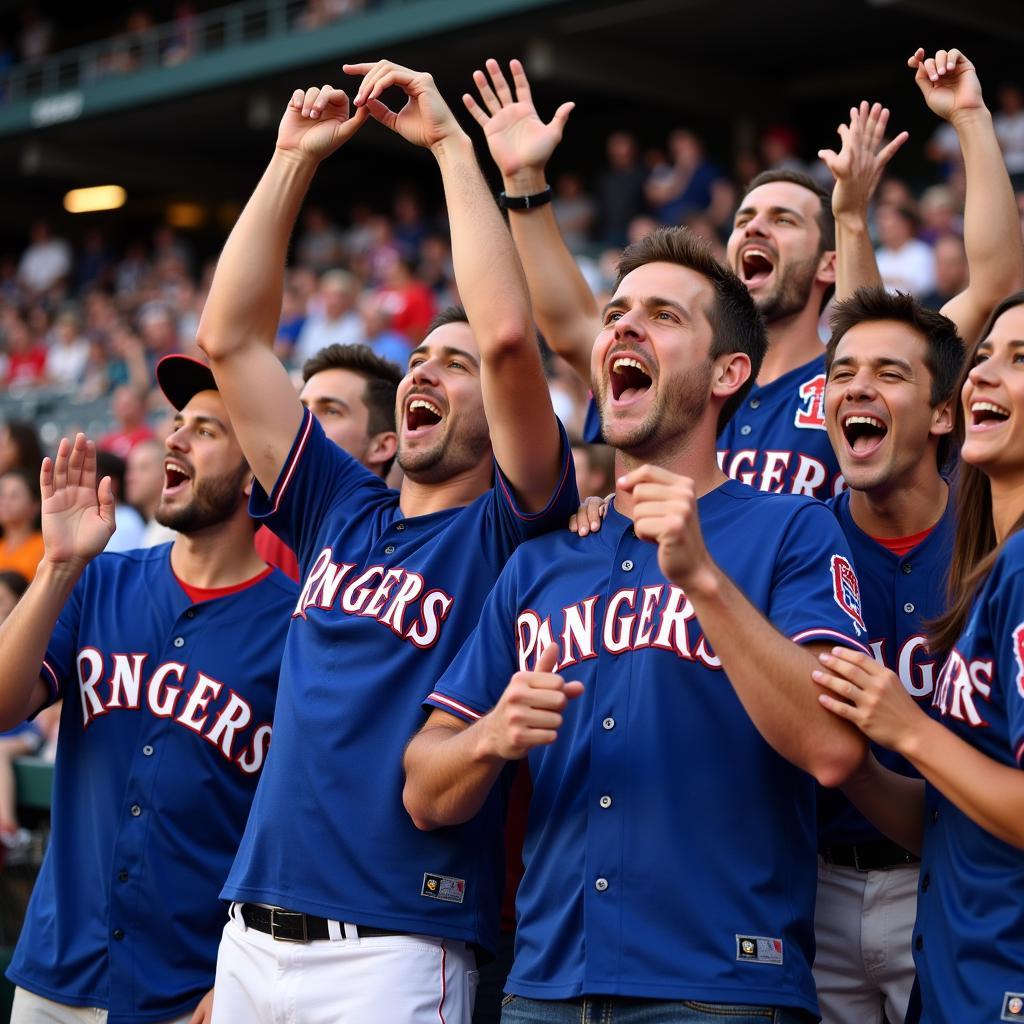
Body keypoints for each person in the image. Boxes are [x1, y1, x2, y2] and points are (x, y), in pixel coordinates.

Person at [404, 224, 869, 1024]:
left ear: (730, 371)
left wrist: (702, 581)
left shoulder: (794, 529)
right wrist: (489, 738)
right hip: (544, 986)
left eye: (662, 315)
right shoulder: (542, 562)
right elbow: (423, 790)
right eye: (618, 311)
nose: (623, 326)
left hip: (719, 988)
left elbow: (832, 749)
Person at [196, 64, 576, 1024]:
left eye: (453, 365)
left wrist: (450, 145)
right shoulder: (340, 504)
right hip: (248, 930)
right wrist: (291, 161)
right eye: (417, 359)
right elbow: (231, 340)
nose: (428, 371)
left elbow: (504, 339)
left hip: (396, 941)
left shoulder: (511, 527)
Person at [1, 357, 298, 1024]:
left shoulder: (296, 624)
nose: (175, 439)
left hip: (190, 988)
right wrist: (58, 567)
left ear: (256, 472)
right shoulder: (99, 581)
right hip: (57, 972)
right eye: (176, 423)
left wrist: (242, 975)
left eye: (207, 430)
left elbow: (294, 829)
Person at [814, 291, 1024, 1024]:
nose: (986, 374)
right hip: (928, 917)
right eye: (986, 357)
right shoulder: (797, 540)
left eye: (1020, 359)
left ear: (941, 414)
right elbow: (945, 813)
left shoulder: (1016, 564)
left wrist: (907, 728)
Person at [815, 287, 963, 1024]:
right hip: (812, 884)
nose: (858, 388)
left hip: (956, 881)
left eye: (889, 373)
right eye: (842, 373)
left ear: (943, 413)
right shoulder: (792, 543)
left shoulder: (997, 545)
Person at [253, 342, 401, 580]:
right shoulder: (252, 528)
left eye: (331, 410)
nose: (305, 421)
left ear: (382, 446)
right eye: (300, 408)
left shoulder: (397, 555)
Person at [0, 469, 44, 580]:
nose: (5, 502)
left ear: (34, 506)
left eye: (14, 496)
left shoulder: (45, 548)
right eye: (2, 495)